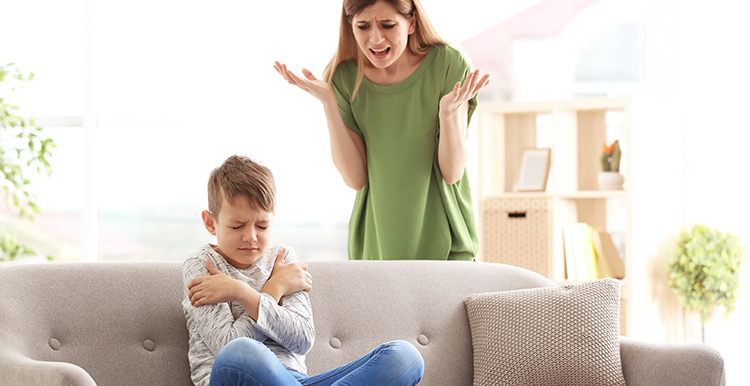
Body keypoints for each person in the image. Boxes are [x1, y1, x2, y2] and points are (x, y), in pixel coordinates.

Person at [274, 0, 490, 261]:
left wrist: (448, 114)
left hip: (447, 243)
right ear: (350, 26)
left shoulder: (448, 63)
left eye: (388, 25)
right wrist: (329, 104)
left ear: (411, 23)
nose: (375, 39)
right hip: (376, 245)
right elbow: (356, 178)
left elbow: (453, 172)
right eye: (363, 26)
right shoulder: (344, 77)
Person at [182, 155, 425, 386]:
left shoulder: (283, 257)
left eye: (262, 225)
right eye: (237, 226)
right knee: (241, 352)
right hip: (237, 377)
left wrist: (241, 292)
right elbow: (228, 343)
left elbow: (302, 339)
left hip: (295, 380)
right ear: (211, 223)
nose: (251, 237)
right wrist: (271, 289)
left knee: (405, 357)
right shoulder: (201, 264)